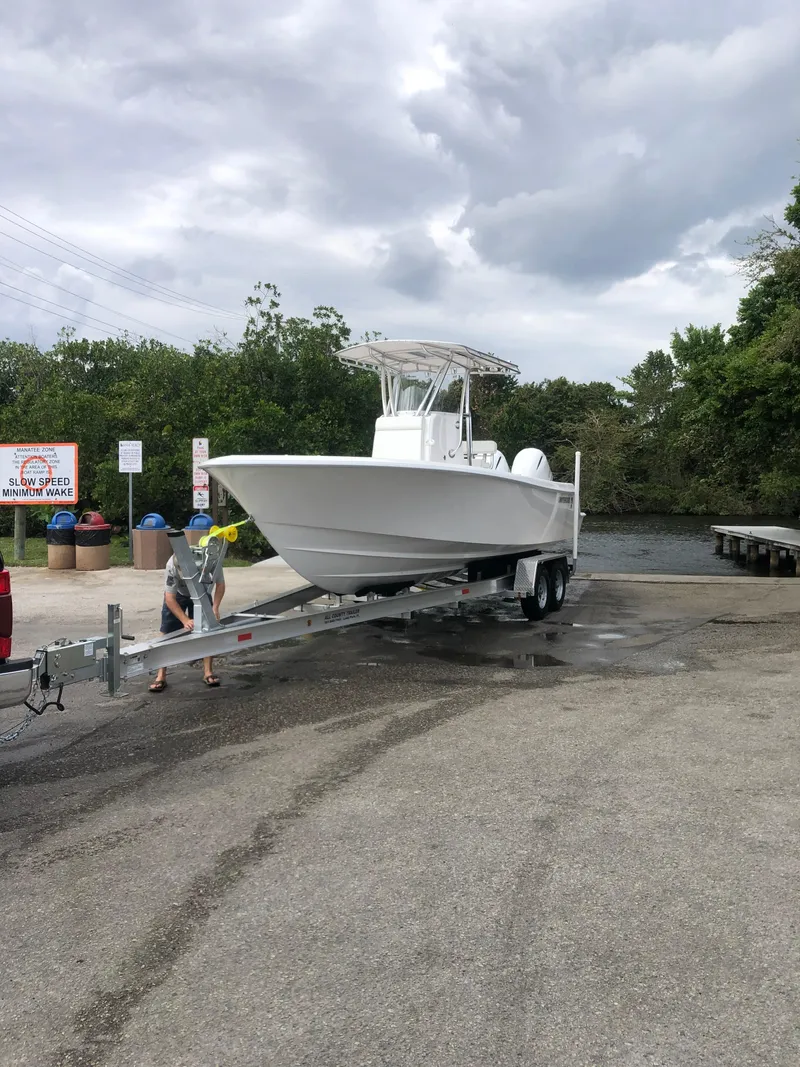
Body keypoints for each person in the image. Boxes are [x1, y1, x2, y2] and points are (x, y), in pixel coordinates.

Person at [149, 551, 226, 692]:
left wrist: (215, 608)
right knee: (166, 632)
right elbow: (169, 599)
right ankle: (161, 676)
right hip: (178, 594)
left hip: (202, 591)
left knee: (206, 629)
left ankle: (208, 672)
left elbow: (220, 584)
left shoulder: (211, 560)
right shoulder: (172, 565)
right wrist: (185, 620)